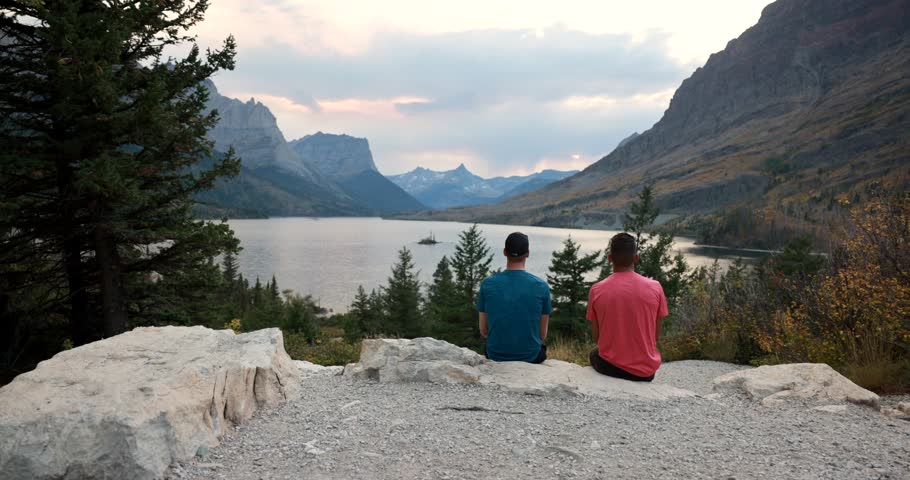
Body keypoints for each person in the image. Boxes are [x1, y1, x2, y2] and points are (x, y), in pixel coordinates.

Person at [586, 232, 667, 381]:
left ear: (610, 258)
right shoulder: (656, 287)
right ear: (636, 258)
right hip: (646, 372)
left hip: (609, 367)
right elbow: (655, 336)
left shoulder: (596, 290)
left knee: (594, 354)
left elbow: (596, 338)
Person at [476, 232, 551, 363]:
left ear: (505, 252)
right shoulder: (541, 286)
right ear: (528, 253)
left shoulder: (487, 284)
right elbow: (542, 335)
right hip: (530, 357)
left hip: (495, 355)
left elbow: (484, 331)